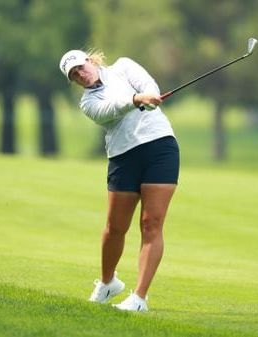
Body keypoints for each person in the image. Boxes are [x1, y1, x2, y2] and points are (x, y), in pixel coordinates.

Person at [59, 49, 179, 312]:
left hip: (160, 147)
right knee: (115, 227)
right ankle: (107, 283)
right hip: (123, 158)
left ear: (90, 61)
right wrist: (136, 99)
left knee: (151, 224)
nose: (80, 74)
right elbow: (109, 111)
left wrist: (148, 95)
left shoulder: (124, 66)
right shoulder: (87, 103)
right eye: (74, 75)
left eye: (80, 67)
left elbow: (148, 84)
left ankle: (139, 298)